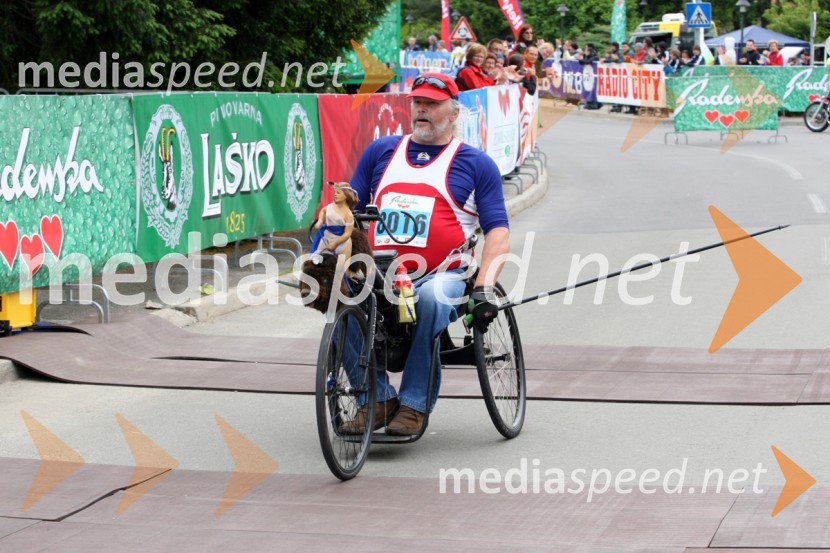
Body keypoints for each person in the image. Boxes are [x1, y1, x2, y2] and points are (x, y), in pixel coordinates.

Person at [344, 73, 510, 436]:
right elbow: (348, 209)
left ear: (453, 114)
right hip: (381, 271)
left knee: (431, 299)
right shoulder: (381, 151)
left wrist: (484, 288)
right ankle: (377, 398)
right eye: (417, 102)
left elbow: (498, 232)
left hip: (444, 274)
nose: (422, 109)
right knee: (338, 295)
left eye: (432, 104)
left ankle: (414, 405)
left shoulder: (476, 164)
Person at [310, 182, 358, 264]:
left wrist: (335, 243)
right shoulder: (330, 207)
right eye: (335, 192)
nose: (335, 195)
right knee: (316, 260)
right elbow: (323, 211)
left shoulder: (348, 214)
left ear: (346, 195)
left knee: (342, 268)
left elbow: (347, 234)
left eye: (338, 193)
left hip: (342, 241)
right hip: (327, 237)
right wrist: (320, 221)